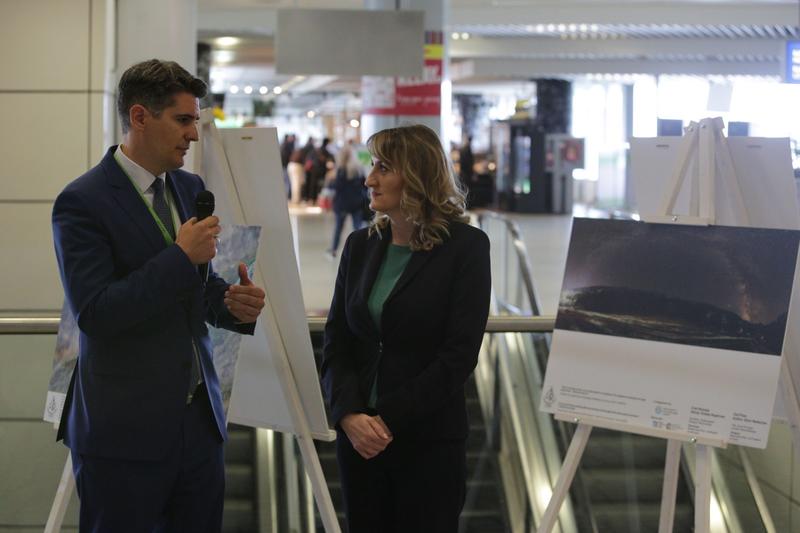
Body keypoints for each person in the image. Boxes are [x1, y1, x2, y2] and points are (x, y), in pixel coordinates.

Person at [51, 59, 266, 533]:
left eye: (195, 120)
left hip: (198, 429)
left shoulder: (189, 188)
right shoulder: (82, 201)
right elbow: (96, 312)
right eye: (183, 120)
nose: (194, 134)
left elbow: (195, 288)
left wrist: (231, 304)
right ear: (141, 116)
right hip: (123, 434)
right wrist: (178, 257)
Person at [321, 124, 491, 532]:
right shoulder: (360, 245)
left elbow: (458, 355)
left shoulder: (466, 248)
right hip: (359, 443)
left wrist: (384, 419)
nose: (369, 179)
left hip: (426, 441)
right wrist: (348, 414)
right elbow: (337, 340)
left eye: (383, 167)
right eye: (372, 165)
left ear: (416, 176)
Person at [326, 145, 366, 259]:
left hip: (342, 203)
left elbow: (337, 186)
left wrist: (331, 182)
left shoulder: (341, 170)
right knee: (358, 228)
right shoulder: (358, 168)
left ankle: (333, 250)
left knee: (339, 228)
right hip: (357, 202)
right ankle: (361, 251)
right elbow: (364, 185)